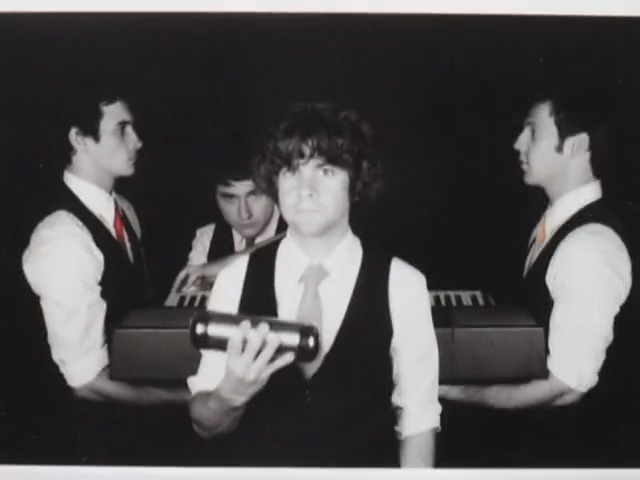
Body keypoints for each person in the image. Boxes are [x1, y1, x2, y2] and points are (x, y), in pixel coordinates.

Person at [187, 103, 441, 467]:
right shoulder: (234, 279)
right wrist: (229, 396)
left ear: (356, 181)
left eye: (326, 170)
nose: (305, 189)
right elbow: (204, 426)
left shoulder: (404, 284)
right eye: (291, 170)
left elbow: (418, 426)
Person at [438, 93, 634, 467]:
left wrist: (453, 391)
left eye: (532, 131)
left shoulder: (586, 246)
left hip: (572, 455)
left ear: (576, 145)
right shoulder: (554, 222)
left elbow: (565, 388)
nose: (518, 143)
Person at [21, 92, 190, 465]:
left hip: (136, 432)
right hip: (83, 446)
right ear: (79, 139)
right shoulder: (62, 237)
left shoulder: (124, 210)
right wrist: (192, 398)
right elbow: (87, 384)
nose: (137, 141)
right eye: (122, 129)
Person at [173, 133, 286, 301]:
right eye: (230, 198)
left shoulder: (301, 233)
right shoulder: (208, 238)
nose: (244, 214)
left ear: (276, 188)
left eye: (254, 195)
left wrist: (218, 268)